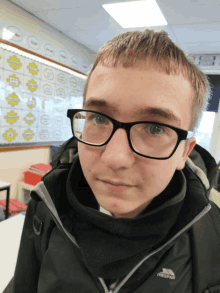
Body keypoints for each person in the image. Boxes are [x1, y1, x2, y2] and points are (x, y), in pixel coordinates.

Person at [10, 29, 220, 293]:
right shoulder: (47, 204)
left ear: (184, 152)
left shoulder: (212, 236)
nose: (115, 158)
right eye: (98, 118)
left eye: (155, 128)